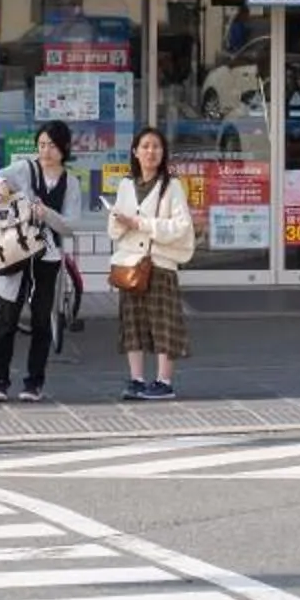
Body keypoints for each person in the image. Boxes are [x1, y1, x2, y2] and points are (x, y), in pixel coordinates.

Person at [0, 121, 85, 403]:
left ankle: (33, 383)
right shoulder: (25, 169)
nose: (46, 151)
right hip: (16, 251)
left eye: (52, 145)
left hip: (49, 255)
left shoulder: (72, 183)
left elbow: (70, 226)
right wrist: (0, 184)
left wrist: (47, 214)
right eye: (41, 144)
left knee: (42, 320)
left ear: (64, 148)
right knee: (8, 317)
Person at [108, 124, 194, 401]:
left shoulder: (172, 186)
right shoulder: (125, 185)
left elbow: (181, 227)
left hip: (160, 263)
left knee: (163, 323)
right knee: (132, 323)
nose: (150, 152)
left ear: (163, 153)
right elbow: (113, 230)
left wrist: (139, 223)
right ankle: (136, 379)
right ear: (135, 152)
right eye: (145, 146)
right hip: (131, 264)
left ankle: (164, 381)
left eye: (156, 147)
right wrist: (120, 222)